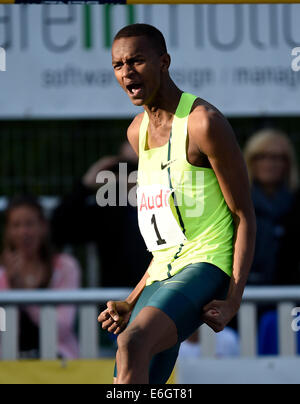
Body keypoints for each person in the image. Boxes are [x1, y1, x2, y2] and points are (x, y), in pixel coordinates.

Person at [97, 23, 256, 384]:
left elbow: (244, 215)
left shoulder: (204, 122)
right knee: (131, 370)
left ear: (164, 61)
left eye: (136, 61)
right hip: (163, 272)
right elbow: (165, 237)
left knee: (131, 342)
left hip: (207, 264)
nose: (127, 73)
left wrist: (232, 299)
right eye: (118, 65)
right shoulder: (137, 132)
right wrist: (132, 299)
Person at [51, 141, 152, 287]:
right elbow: (58, 229)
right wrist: (86, 184)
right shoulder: (108, 212)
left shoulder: (175, 205)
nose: (134, 175)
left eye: (143, 166)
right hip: (118, 303)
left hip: (162, 301)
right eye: (126, 167)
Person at [0, 195, 81, 359]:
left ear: (43, 227)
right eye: (16, 225)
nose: (24, 232)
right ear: (8, 231)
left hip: (58, 364)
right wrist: (10, 286)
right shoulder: (2, 273)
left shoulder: (66, 267)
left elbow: (62, 328)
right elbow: (4, 330)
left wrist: (25, 296)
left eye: (30, 223)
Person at [244, 129, 299, 285]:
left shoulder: (296, 204)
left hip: (290, 290)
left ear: (288, 163)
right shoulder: (234, 203)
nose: (269, 163)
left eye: (277, 157)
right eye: (261, 157)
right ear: (249, 160)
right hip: (245, 293)